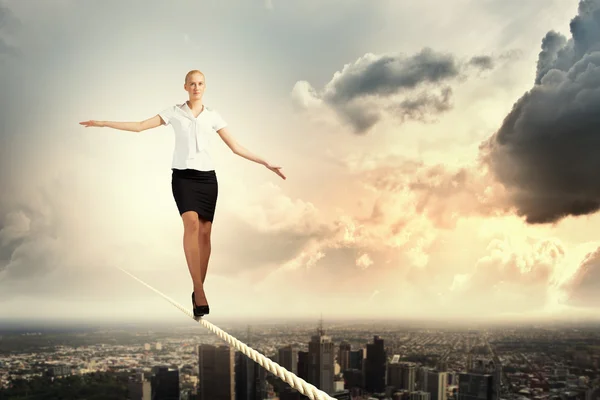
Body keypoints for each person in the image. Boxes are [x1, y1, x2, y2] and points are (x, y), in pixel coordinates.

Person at [80, 69, 286, 318]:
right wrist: (102, 123)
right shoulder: (174, 112)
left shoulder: (213, 116)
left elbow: (235, 147)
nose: (196, 87)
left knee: (206, 232)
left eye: (200, 83)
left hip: (208, 179)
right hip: (183, 178)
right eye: (192, 84)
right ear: (185, 87)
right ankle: (199, 291)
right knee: (191, 224)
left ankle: (197, 288)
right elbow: (139, 127)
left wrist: (266, 162)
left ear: (205, 87)